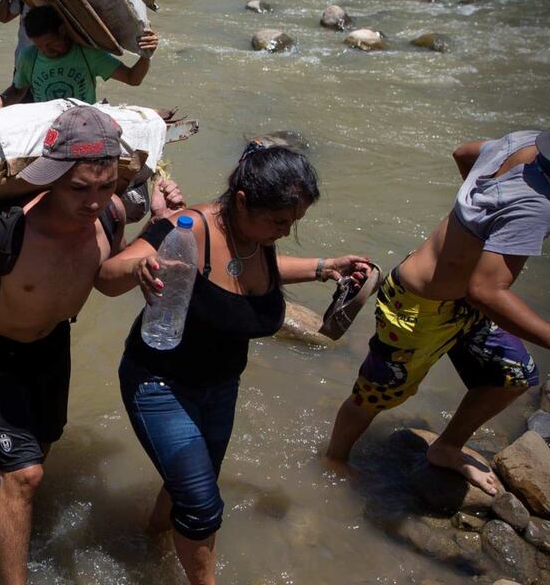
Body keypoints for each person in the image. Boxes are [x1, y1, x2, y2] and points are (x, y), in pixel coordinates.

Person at [324, 100, 550, 495]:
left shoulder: (523, 143)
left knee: (513, 376)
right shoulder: (536, 205)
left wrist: (478, 216)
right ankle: (333, 460)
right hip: (417, 308)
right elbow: (486, 292)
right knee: (375, 395)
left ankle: (446, 447)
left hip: (464, 303)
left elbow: (463, 153)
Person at [0, 105, 184, 585]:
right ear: (51, 178)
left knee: (43, 446)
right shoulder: (2, 229)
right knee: (26, 475)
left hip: (53, 342)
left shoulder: (110, 216)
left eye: (105, 186)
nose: (93, 202)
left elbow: (104, 280)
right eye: (79, 189)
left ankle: (13, 502)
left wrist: (158, 227)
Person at [98, 144, 373, 585]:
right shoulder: (187, 229)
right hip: (160, 384)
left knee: (190, 484)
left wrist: (324, 267)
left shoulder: (258, 241)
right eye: (279, 221)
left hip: (221, 387)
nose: (285, 231)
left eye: (294, 222)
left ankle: (150, 538)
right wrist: (139, 268)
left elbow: (256, 267)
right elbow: (108, 276)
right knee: (203, 505)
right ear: (242, 202)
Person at [0, 5, 158, 110]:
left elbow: (133, 78)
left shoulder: (88, 54)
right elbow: (18, 90)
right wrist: (2, 99)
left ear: (63, 31)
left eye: (51, 44)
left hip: (83, 125)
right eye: (40, 46)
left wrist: (146, 54)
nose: (47, 51)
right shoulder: (28, 56)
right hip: (44, 126)